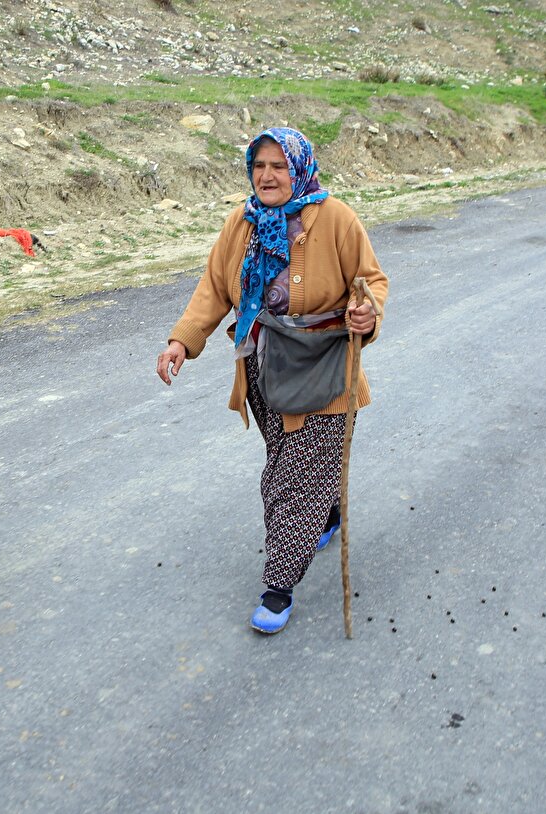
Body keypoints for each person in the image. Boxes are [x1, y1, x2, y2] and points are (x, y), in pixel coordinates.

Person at [156, 126, 388, 635]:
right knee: (289, 459)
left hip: (325, 366)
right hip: (263, 366)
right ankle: (326, 513)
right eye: (259, 166)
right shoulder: (242, 222)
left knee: (291, 477)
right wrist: (182, 340)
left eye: (278, 166)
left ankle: (278, 586)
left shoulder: (336, 218)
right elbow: (215, 287)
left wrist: (365, 313)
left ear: (298, 169)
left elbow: (370, 281)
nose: (267, 175)